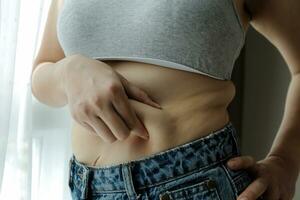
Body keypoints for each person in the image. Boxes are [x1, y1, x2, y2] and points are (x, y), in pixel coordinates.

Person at [31, 0, 300, 199]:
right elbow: (42, 73)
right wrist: (67, 72)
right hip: (87, 186)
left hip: (194, 185)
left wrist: (285, 162)